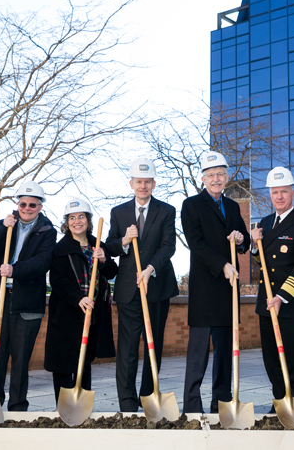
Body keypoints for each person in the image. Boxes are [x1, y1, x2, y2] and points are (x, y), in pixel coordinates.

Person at [104, 158, 177, 412]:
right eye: (139, 182)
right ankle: (127, 401)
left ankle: (148, 395)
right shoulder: (119, 212)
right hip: (128, 289)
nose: (143, 186)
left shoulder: (167, 211)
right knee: (127, 347)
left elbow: (169, 246)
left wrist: (149, 269)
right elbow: (109, 246)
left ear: (154, 184)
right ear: (131, 183)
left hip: (157, 286)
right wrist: (124, 240)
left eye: (147, 182)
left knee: (153, 343)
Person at [181, 151, 250, 414]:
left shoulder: (232, 206)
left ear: (228, 176)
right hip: (204, 289)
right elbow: (195, 244)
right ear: (203, 178)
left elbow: (243, 238)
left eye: (220, 174)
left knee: (224, 354)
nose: (216, 179)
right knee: (198, 354)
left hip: (227, 290)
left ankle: (221, 403)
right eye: (211, 175)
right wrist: (222, 264)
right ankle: (192, 407)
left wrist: (241, 239)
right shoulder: (191, 205)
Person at [0, 180, 57, 411]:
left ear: (40, 207)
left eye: (33, 205)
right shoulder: (3, 225)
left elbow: (43, 262)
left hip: (26, 303)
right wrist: (2, 228)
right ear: (17, 204)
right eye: (23, 204)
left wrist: (15, 269)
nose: (27, 208)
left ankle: (18, 408)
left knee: (21, 361)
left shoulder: (47, 231)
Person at [249, 167, 294, 412]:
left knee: (291, 357)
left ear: (293, 193)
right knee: (271, 358)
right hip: (266, 303)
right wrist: (254, 247)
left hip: (289, 304)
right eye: (275, 192)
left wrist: (281, 296)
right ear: (270, 194)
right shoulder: (264, 224)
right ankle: (280, 402)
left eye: (284, 192)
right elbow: (263, 266)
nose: (279, 196)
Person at [44, 199, 116, 401]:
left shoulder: (98, 245)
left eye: (81, 217)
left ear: (88, 220)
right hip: (68, 314)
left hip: (92, 314)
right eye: (72, 218)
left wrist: (103, 259)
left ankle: (82, 404)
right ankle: (64, 405)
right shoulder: (61, 249)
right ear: (67, 223)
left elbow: (111, 273)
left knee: (84, 361)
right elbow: (58, 280)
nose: (77, 221)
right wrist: (79, 298)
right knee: (64, 363)